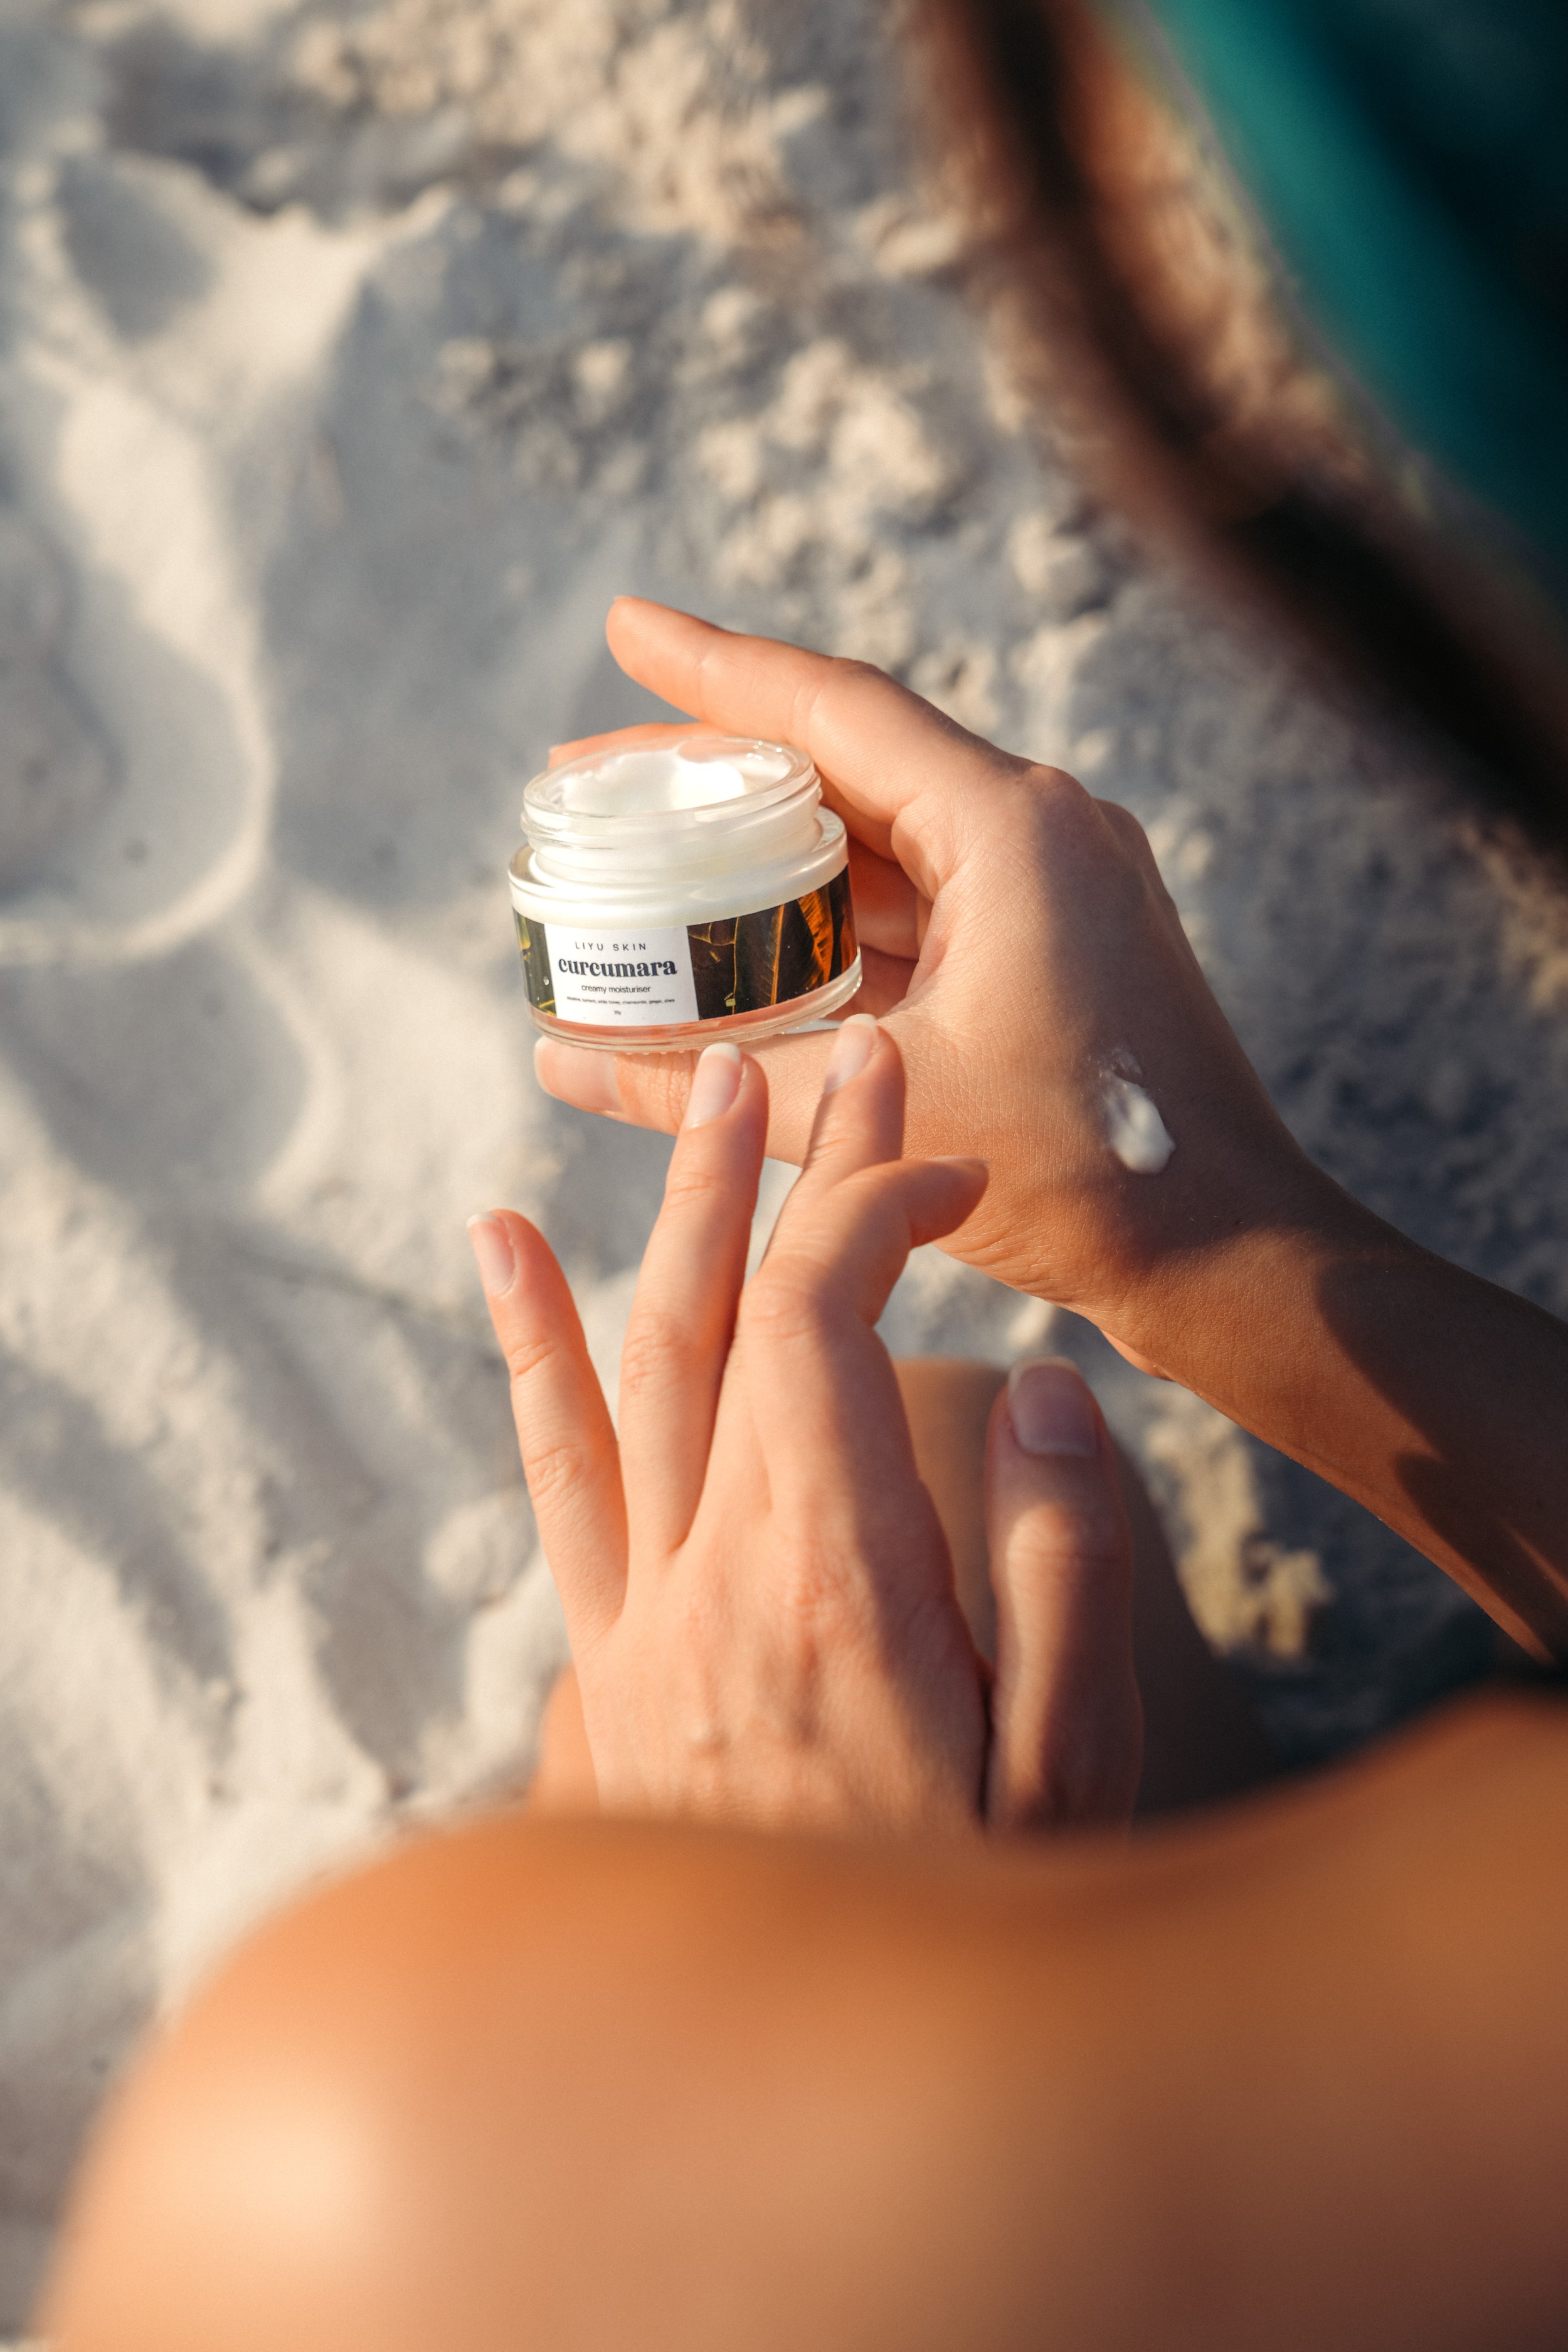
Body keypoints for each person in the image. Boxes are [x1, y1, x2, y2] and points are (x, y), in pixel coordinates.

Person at [38, 3, 1568, 2347]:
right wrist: (1211, 1241)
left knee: (578, 1912)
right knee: (938, 1489)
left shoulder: (374, 2160)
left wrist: (826, 1991)